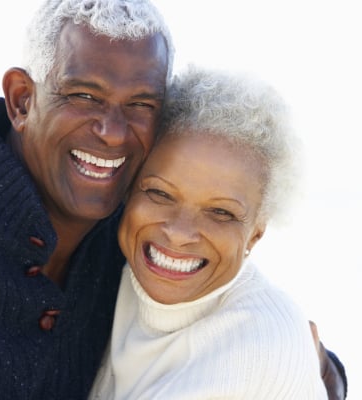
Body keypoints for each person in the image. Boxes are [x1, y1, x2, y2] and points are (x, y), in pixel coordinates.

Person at [0, 0, 345, 398]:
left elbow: (234, 323)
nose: (111, 132)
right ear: (22, 99)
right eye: (84, 96)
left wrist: (317, 370)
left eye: (141, 104)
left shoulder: (131, 236)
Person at [89, 66, 336, 399]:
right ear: (129, 190)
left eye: (221, 212)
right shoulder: (98, 272)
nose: (179, 233)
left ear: (255, 235)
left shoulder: (262, 344)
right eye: (160, 193)